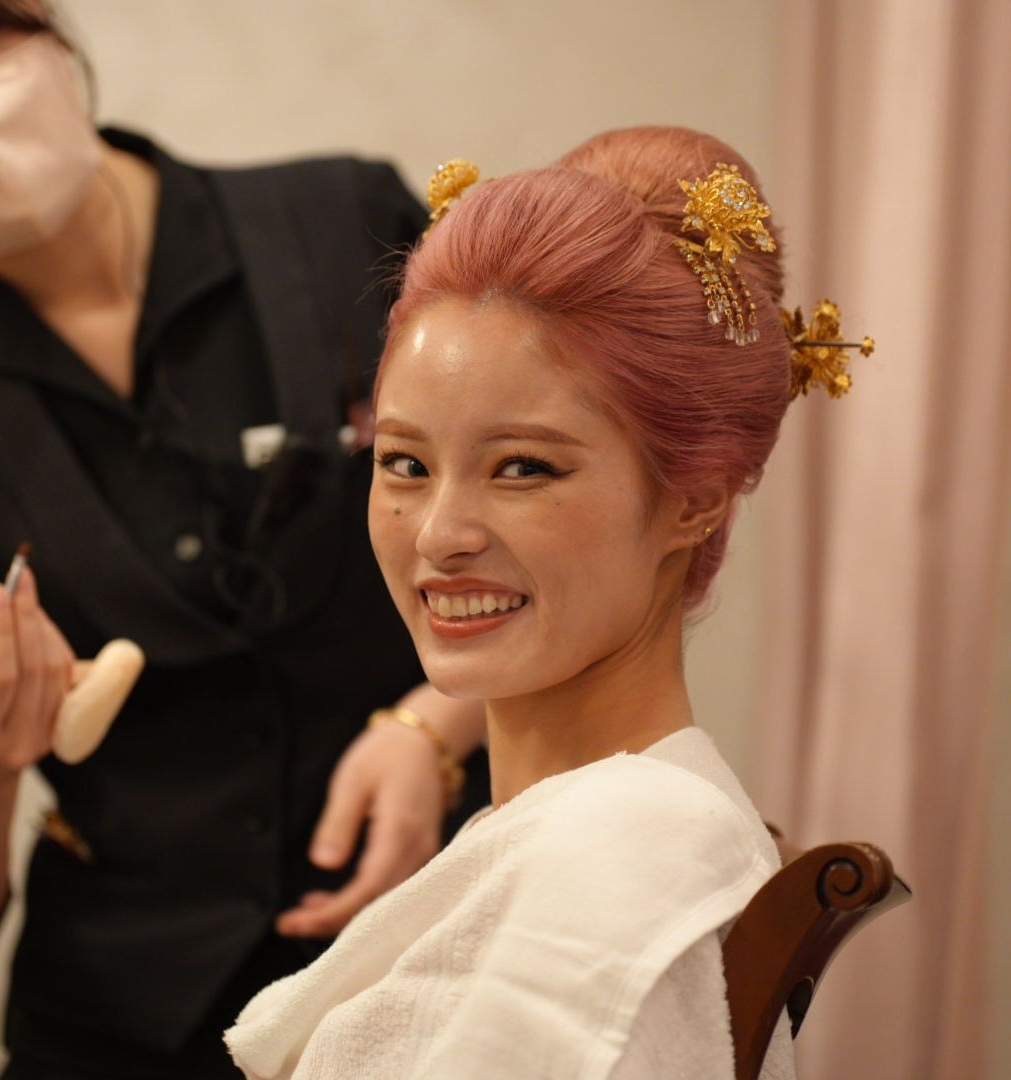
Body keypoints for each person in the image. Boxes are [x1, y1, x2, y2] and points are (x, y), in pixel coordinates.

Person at [0, 3, 488, 1078]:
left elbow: (559, 526)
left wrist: (431, 730)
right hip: (124, 1024)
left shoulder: (342, 223)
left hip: (448, 948)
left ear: (45, 27)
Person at [223, 125, 870, 1077]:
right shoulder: (581, 836)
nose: (438, 535)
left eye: (523, 467)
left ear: (694, 499)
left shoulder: (619, 859)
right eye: (404, 463)